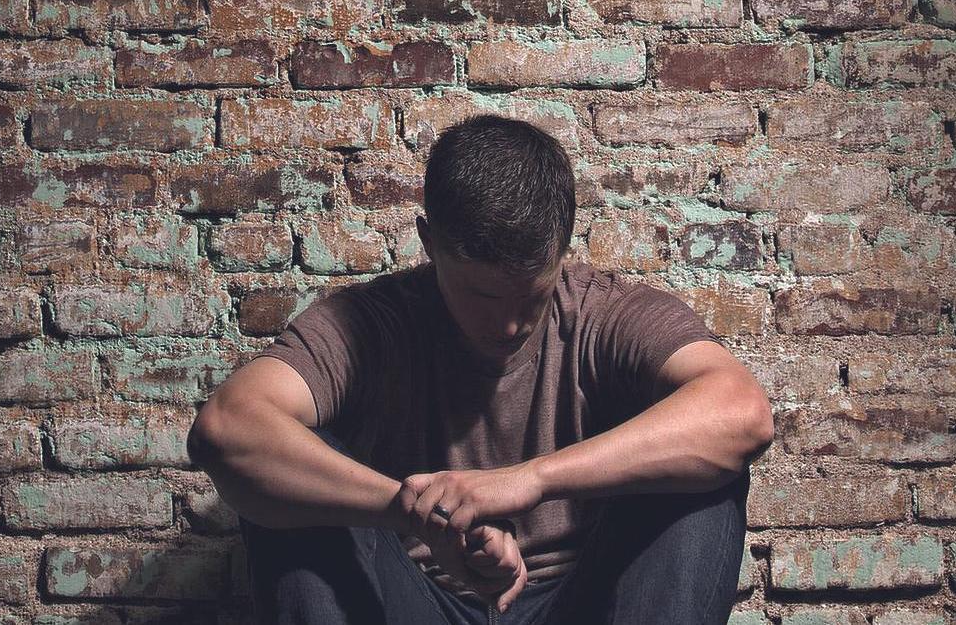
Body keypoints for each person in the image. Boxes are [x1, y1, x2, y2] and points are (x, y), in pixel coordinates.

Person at [186, 114, 775, 624]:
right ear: (428, 243)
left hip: (584, 605)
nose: (511, 325)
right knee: (291, 481)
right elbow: (228, 430)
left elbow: (741, 414)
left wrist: (532, 478)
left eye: (532, 298)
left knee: (702, 477)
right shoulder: (374, 323)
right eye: (483, 298)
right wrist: (416, 514)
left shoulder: (607, 311)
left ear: (563, 250)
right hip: (414, 603)